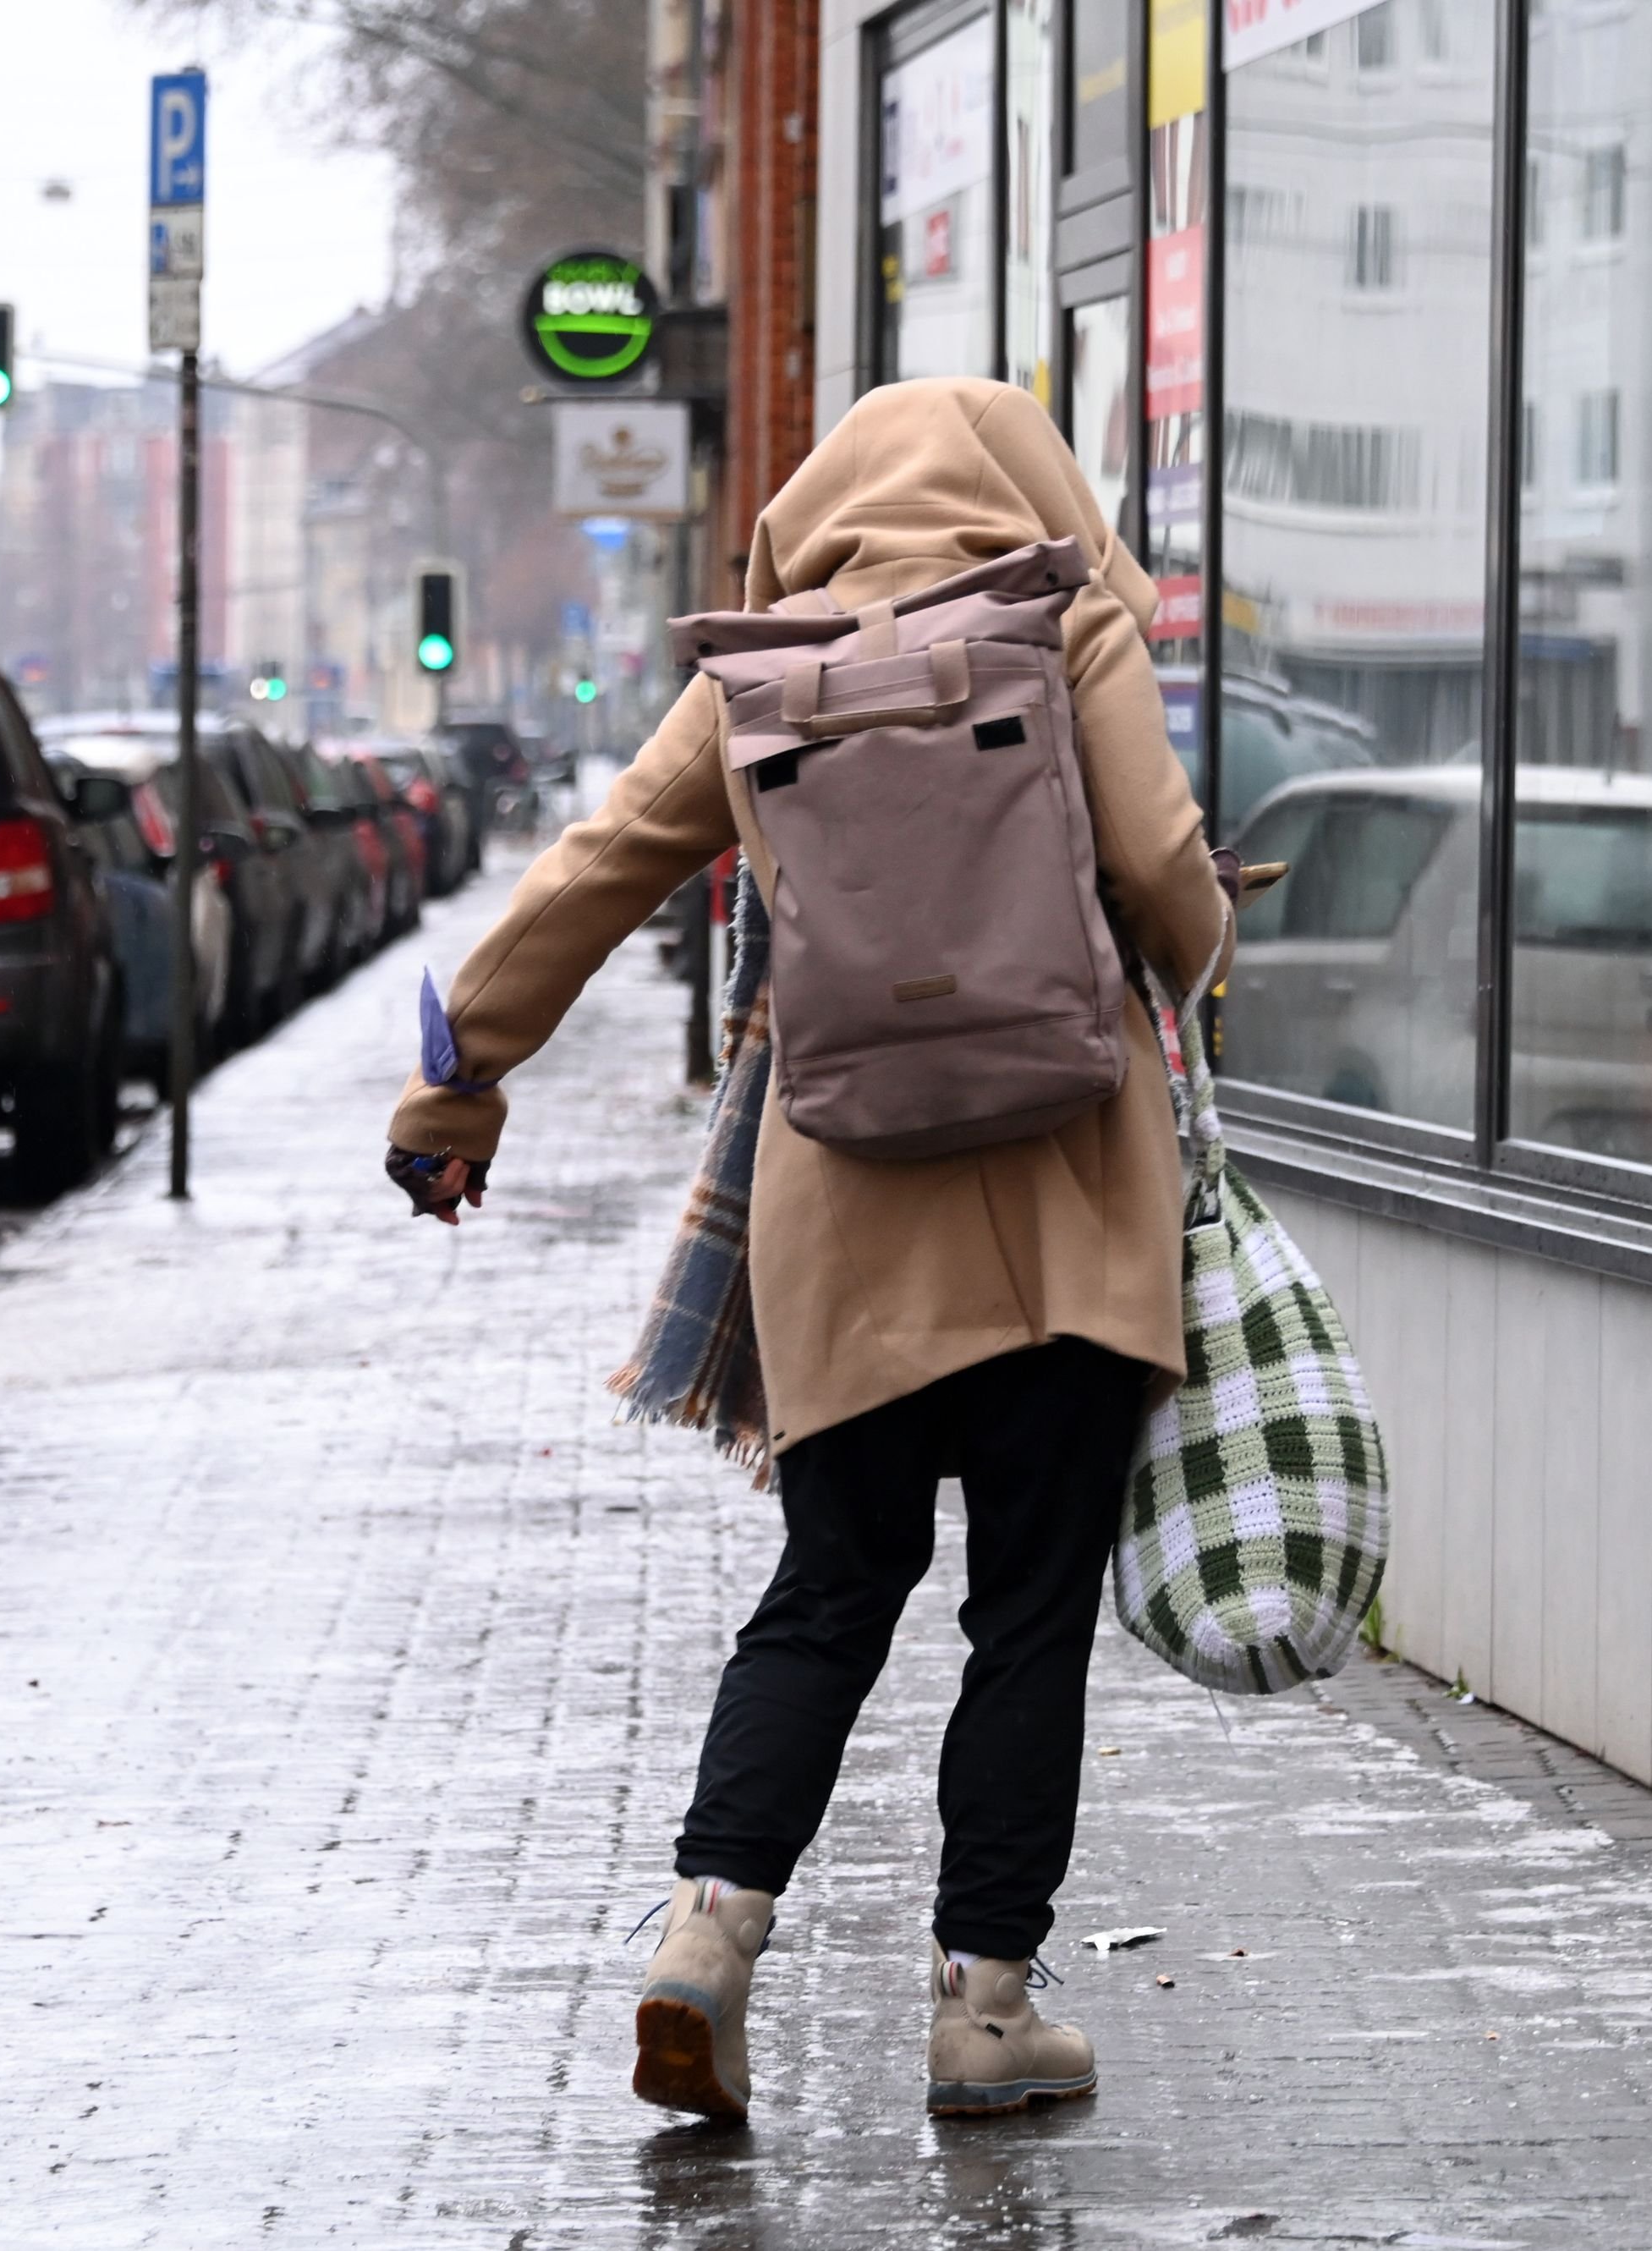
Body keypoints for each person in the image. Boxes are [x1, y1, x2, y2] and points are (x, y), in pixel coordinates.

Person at [385, 377, 1231, 2124]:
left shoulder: (756, 675)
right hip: (1067, 1206)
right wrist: (1205, 943)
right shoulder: (1060, 617)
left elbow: (597, 863)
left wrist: (455, 1085)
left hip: (841, 1214)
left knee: (833, 1587)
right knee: (1027, 1615)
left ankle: (705, 1930)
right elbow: (1157, 860)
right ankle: (985, 2010)